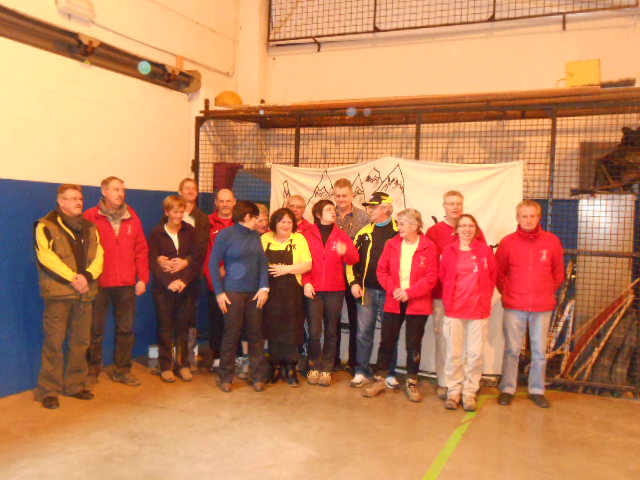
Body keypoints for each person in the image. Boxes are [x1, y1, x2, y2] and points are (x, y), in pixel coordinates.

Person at [34, 184, 104, 409]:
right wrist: (74, 278)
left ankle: (75, 385)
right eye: (72, 198)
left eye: (80, 198)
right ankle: (48, 390)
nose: (78, 202)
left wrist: (87, 276)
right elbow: (46, 258)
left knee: (80, 342)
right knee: (54, 343)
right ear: (61, 202)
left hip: (85, 294)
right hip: (59, 295)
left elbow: (99, 256)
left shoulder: (90, 227)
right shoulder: (45, 226)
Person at [362, 209, 438, 402]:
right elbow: (382, 270)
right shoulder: (392, 244)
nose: (399, 227)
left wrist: (409, 292)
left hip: (418, 302)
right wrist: (394, 289)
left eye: (402, 224)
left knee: (413, 344)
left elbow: (431, 277)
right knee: (386, 341)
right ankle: (379, 379)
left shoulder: (429, 247)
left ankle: (411, 382)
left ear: (414, 226)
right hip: (394, 300)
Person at [496, 200, 564, 408]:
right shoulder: (507, 242)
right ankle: (508, 388)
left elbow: (558, 273)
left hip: (542, 306)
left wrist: (545, 291)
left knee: (539, 351)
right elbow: (499, 273)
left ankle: (536, 390)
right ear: (518, 218)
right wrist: (510, 293)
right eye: (524, 216)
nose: (528, 220)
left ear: (539, 217)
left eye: (532, 216)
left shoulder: (552, 241)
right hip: (514, 305)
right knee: (512, 350)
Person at [84, 176, 149, 388]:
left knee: (126, 329)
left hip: (126, 284)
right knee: (95, 330)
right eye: (115, 189)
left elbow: (141, 250)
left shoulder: (133, 218)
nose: (120, 193)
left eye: (122, 190)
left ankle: (122, 370)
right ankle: (92, 371)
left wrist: (143, 278)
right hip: (99, 284)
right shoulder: (90, 217)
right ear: (104, 191)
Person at [426, 190, 486, 399]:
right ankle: (445, 382)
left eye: (458, 203)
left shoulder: (473, 230)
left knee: (470, 346)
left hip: (470, 299)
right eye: (451, 204)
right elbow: (429, 265)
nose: (455, 207)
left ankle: (467, 385)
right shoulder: (434, 232)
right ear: (444, 206)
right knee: (445, 342)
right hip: (442, 297)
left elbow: (484, 263)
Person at [210, 201, 270, 393]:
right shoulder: (226, 235)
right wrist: (219, 292)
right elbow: (213, 263)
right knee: (231, 334)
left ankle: (258, 376)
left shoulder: (255, 236)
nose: (258, 221)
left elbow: (263, 263)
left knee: (255, 335)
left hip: (254, 293)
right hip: (232, 292)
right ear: (247, 217)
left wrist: (264, 287)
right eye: (256, 218)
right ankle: (225, 377)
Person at [439, 214, 497, 411]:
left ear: (475, 229)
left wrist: (484, 298)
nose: (466, 229)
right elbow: (443, 276)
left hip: (478, 311)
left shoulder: (484, 251)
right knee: (453, 355)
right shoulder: (449, 251)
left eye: (470, 226)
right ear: (457, 229)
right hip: (454, 310)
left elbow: (493, 275)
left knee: (474, 355)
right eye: (463, 226)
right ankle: (454, 391)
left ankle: (470, 392)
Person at [302, 200, 359, 387]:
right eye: (328, 210)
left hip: (335, 290)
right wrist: (307, 281)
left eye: (333, 209)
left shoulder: (342, 235)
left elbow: (354, 258)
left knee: (331, 331)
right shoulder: (307, 235)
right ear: (318, 214)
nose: (333, 212)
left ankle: (327, 369)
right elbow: (303, 261)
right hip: (314, 289)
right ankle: (314, 366)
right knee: (314, 331)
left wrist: (346, 252)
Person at [347, 192, 400, 389]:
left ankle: (389, 373)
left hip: (391, 292)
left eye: (374, 207)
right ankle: (361, 371)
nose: (370, 210)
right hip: (367, 291)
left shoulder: (400, 232)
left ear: (385, 208)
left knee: (390, 334)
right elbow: (351, 261)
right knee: (363, 333)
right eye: (369, 207)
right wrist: (354, 283)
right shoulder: (363, 233)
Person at [149, 195, 201, 383]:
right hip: (164, 289)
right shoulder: (156, 233)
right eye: (175, 212)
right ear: (167, 212)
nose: (179, 215)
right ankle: (165, 366)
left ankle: (183, 365)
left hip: (185, 288)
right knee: (165, 327)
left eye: (181, 211)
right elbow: (153, 261)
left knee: (183, 327)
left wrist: (184, 280)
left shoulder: (190, 231)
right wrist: (168, 282)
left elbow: (196, 259)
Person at [261, 208, 312, 386]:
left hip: (292, 293)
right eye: (282, 221)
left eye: (289, 222)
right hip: (270, 293)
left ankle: (291, 368)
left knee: (292, 329)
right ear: (274, 223)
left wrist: (287, 269)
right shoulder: (265, 239)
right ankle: (275, 367)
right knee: (272, 329)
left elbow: (308, 264)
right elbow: (258, 263)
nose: (286, 225)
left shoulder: (299, 239)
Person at [333, 178, 369, 373]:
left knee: (357, 321)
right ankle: (333, 360)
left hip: (355, 276)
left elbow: (365, 247)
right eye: (337, 196)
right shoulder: (329, 215)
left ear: (352, 195)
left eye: (344, 195)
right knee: (333, 320)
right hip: (332, 275)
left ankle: (355, 362)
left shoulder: (363, 217)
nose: (341, 199)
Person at [178, 178, 211, 371]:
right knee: (171, 317)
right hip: (172, 275)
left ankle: (189, 358)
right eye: (187, 188)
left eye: (193, 189)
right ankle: (172, 359)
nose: (190, 191)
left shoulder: (202, 218)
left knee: (190, 317)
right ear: (180, 191)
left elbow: (201, 247)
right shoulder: (171, 213)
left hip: (193, 275)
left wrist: (187, 262)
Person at [204, 188, 236, 371]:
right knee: (217, 322)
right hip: (215, 284)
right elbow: (207, 254)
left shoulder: (240, 222)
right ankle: (216, 357)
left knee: (235, 322)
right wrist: (214, 279)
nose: (225, 204)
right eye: (221, 201)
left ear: (234, 202)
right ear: (216, 203)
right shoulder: (207, 223)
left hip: (236, 284)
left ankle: (235, 357)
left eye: (228, 201)